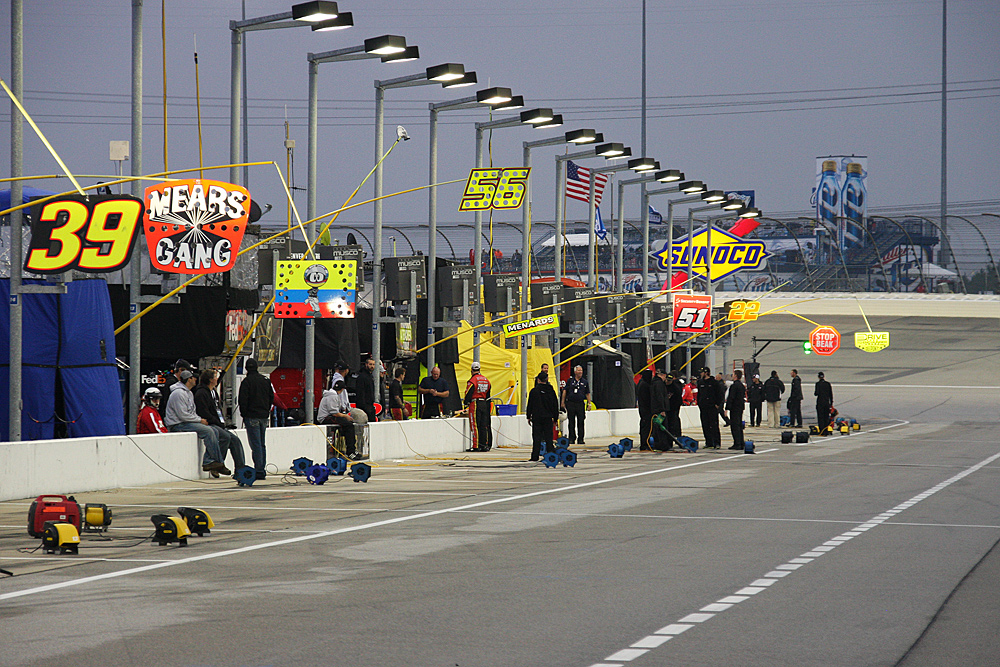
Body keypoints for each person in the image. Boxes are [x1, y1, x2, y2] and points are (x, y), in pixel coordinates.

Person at [164, 370, 228, 476]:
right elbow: (183, 415)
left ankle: (211, 461)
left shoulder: (188, 393)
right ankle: (217, 462)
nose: (195, 379)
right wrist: (199, 420)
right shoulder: (178, 393)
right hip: (178, 424)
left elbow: (190, 413)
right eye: (193, 378)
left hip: (186, 422)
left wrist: (198, 420)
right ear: (188, 379)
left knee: (214, 431)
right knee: (208, 431)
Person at [194, 369, 246, 471]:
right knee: (225, 437)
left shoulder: (213, 392)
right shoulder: (201, 393)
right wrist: (217, 422)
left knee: (236, 440)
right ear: (210, 380)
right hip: (209, 423)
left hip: (218, 423)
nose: (217, 379)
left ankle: (240, 469)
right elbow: (204, 413)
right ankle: (216, 462)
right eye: (215, 377)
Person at [238, 357, 273, 480]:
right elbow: (271, 397)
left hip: (251, 416)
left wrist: (244, 414)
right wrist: (266, 410)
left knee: (256, 444)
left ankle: (259, 470)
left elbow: (242, 400)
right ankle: (261, 468)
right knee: (262, 444)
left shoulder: (247, 382)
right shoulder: (265, 380)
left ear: (247, 368)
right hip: (263, 415)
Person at [525, 372, 559, 461]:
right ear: (547, 380)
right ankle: (551, 456)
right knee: (548, 438)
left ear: (538, 380)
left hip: (537, 417)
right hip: (548, 417)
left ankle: (535, 456)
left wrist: (528, 416)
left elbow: (530, 405)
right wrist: (555, 418)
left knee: (536, 438)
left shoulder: (534, 391)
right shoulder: (551, 391)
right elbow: (555, 405)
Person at [318, 379, 356, 457]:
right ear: (342, 390)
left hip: (329, 416)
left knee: (346, 424)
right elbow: (334, 413)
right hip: (326, 418)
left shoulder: (331, 395)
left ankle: (345, 449)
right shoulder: (333, 396)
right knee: (349, 425)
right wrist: (345, 416)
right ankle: (351, 451)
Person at [464, 361, 493, 452]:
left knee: (475, 425)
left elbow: (469, 393)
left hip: (475, 403)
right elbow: (488, 394)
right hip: (484, 403)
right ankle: (484, 445)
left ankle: (476, 446)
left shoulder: (473, 380)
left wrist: (466, 402)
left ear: (472, 370)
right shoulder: (486, 380)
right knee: (484, 425)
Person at [561, 365, 590, 445]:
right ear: (575, 372)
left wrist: (589, 403)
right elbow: (565, 391)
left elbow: (587, 393)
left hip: (580, 403)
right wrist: (563, 402)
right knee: (571, 421)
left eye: (581, 370)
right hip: (571, 403)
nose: (580, 372)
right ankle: (571, 438)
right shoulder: (570, 381)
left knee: (581, 421)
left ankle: (581, 438)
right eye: (578, 370)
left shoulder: (584, 382)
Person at [696, 367, 723, 449]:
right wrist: (699, 403)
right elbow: (699, 394)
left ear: (706, 373)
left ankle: (717, 442)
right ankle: (709, 442)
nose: (701, 374)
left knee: (714, 425)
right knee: (705, 425)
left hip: (712, 407)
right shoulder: (700, 382)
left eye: (702, 372)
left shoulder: (714, 382)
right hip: (703, 407)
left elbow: (720, 394)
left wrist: (717, 404)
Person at [649, 369, 670, 450]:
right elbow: (660, 396)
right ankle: (662, 445)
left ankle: (659, 444)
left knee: (657, 429)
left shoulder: (654, 382)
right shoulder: (659, 384)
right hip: (659, 410)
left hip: (655, 409)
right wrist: (662, 409)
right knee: (661, 429)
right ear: (663, 375)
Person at [726, 370, 747, 451]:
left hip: (734, 408)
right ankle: (741, 442)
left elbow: (731, 398)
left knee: (734, 426)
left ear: (735, 376)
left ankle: (737, 443)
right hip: (740, 407)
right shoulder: (741, 386)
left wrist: (727, 408)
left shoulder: (734, 386)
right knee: (739, 425)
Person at [355, 357, 378, 423]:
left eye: (373, 364)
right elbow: (360, 392)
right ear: (366, 364)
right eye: (370, 364)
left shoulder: (370, 376)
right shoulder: (362, 377)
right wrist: (364, 406)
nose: (372, 366)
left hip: (370, 405)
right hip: (365, 407)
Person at [635, 370, 653, 451]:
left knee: (644, 426)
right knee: (646, 427)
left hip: (642, 409)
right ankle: (645, 444)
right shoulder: (645, 385)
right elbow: (647, 399)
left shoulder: (640, 383)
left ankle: (644, 443)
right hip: (646, 409)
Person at [666, 372, 684, 447]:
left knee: (673, 422)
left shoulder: (676, 387)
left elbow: (678, 398)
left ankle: (676, 437)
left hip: (674, 408)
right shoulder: (664, 386)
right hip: (667, 408)